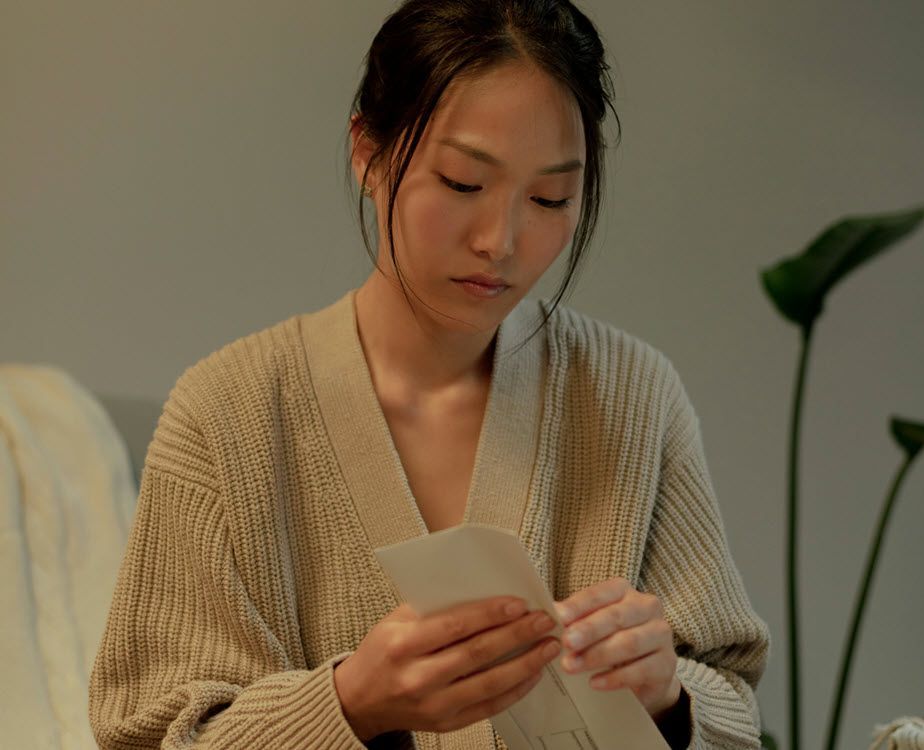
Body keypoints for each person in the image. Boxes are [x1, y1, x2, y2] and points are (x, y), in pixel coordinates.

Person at [88, 1, 769, 748]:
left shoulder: (633, 399)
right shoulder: (227, 415)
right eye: (461, 183)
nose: (500, 241)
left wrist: (669, 696)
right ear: (368, 152)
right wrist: (351, 704)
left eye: (550, 199)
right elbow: (149, 735)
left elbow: (733, 700)